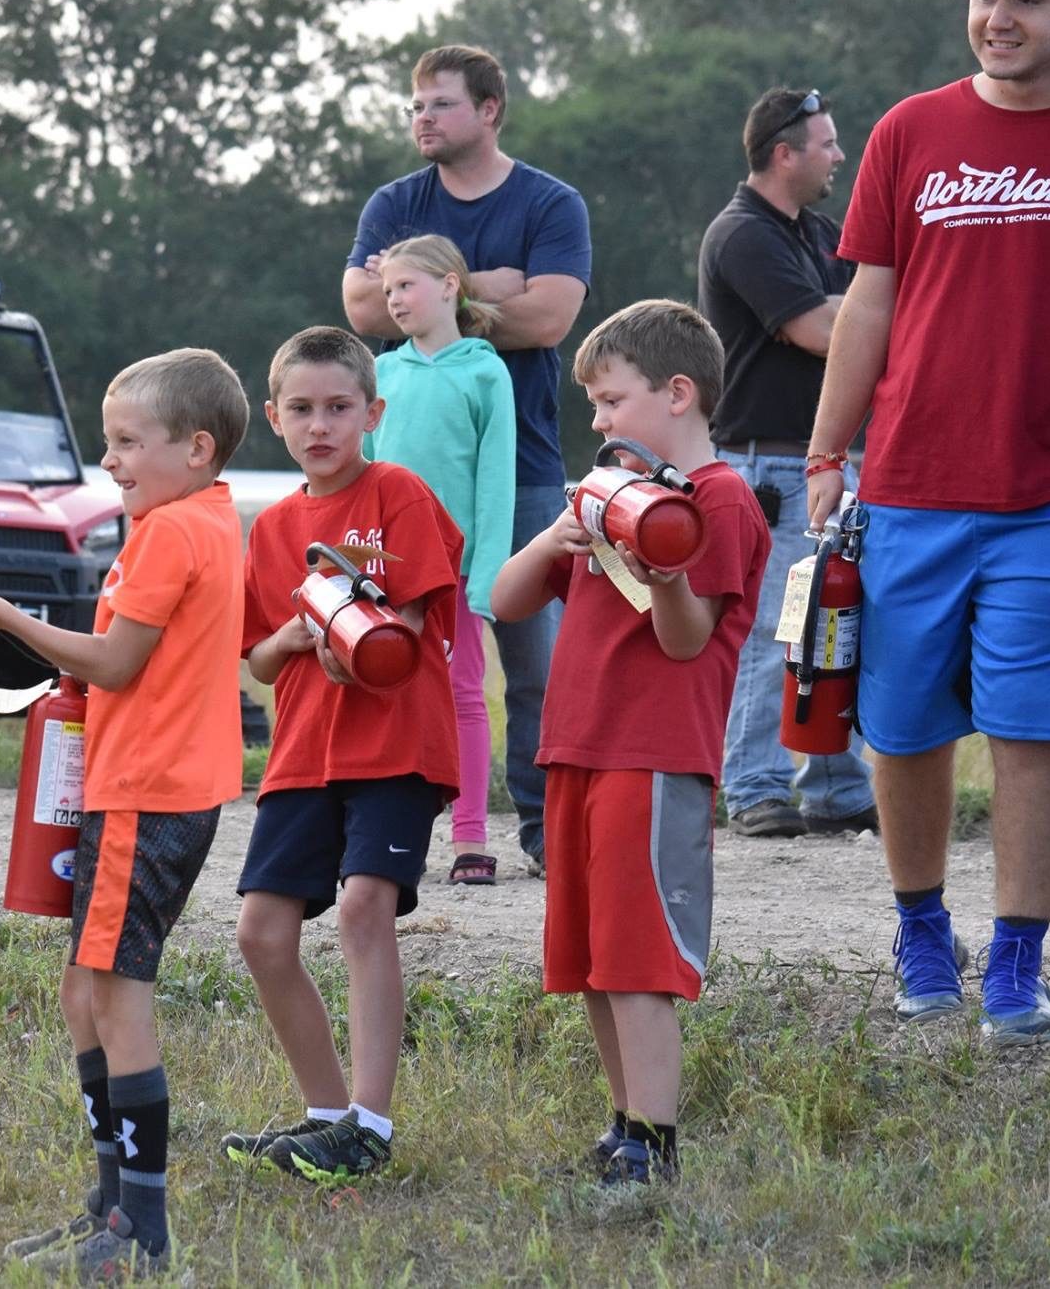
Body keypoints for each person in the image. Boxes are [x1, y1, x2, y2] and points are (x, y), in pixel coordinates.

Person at [0, 348, 248, 1280]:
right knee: (85, 991)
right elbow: (133, 658)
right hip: (152, 784)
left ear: (196, 447)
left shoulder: (167, 532)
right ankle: (106, 1205)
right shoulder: (206, 517)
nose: (109, 460)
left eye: (126, 442)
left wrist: (7, 618)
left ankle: (142, 1232)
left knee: (117, 998)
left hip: (148, 792)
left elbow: (117, 663)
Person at [805, 0, 1050, 1043]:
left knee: (1027, 730)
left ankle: (1015, 960)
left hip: (1039, 503)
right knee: (899, 732)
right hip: (908, 488)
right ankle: (918, 930)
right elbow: (867, 304)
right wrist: (824, 452)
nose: (997, 16)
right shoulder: (910, 131)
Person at [493, 301, 768, 1185]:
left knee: (640, 959)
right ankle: (622, 1128)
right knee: (595, 961)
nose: (601, 422)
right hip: (577, 747)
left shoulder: (716, 499)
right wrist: (555, 533)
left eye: (612, 401)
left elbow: (686, 638)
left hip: (652, 754)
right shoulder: (615, 492)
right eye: (596, 408)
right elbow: (503, 602)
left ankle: (655, 1143)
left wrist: (667, 569)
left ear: (677, 393)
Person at [221, 326, 463, 1180]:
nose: (319, 425)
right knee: (261, 933)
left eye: (338, 407)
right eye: (301, 409)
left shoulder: (396, 491)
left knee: (365, 908)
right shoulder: (275, 525)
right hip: (301, 752)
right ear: (274, 417)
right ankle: (324, 1113)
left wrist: (356, 640)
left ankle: (372, 1125)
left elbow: (416, 623)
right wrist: (294, 633)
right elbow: (253, 656)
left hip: (395, 744)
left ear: (373, 411)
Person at [343, 44, 592, 874]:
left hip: (518, 474)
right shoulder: (393, 200)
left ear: (489, 109)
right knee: (395, 660)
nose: (423, 117)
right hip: (407, 494)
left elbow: (551, 318)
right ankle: (419, 827)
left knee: (533, 665)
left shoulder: (549, 202)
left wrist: (436, 285)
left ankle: (546, 830)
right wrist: (496, 283)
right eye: (416, 103)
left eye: (441, 103)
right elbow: (358, 306)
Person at [698, 86, 877, 840]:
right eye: (827, 144)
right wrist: (879, 319)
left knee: (837, 629)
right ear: (784, 153)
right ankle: (755, 782)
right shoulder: (743, 233)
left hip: (822, 463)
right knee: (774, 626)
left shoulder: (815, 231)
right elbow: (826, 326)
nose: (840, 155)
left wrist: (872, 315)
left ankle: (834, 782)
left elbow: (866, 309)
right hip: (768, 468)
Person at [363, 235, 514, 883]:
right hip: (386, 570)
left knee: (462, 697)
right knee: (389, 697)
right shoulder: (383, 376)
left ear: (451, 284)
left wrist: (486, 580)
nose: (394, 299)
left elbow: (495, 482)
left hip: (453, 573)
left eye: (407, 285)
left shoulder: (486, 372)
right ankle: (392, 835)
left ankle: (470, 838)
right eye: (388, 288)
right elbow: (364, 476)